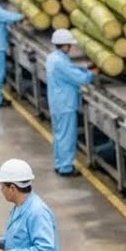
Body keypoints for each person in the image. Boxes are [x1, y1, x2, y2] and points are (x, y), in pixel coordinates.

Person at [46, 29, 98, 177]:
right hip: (65, 104)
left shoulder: (53, 57)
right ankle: (66, 167)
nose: (71, 47)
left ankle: (60, 163)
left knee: (59, 135)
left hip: (57, 102)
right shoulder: (60, 61)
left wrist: (85, 68)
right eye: (69, 45)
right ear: (65, 45)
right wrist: (92, 74)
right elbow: (80, 79)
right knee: (67, 137)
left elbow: (70, 69)